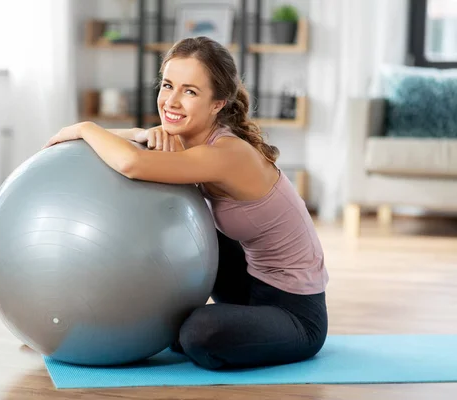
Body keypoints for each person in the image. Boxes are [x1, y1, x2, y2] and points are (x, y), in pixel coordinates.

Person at [43, 36, 329, 370]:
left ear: (217, 103)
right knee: (188, 253)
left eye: (190, 91)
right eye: (167, 85)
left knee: (198, 334)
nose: (172, 101)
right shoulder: (191, 137)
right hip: (249, 283)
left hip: (295, 312)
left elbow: (132, 165)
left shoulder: (228, 154)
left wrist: (85, 127)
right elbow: (136, 139)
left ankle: (205, 326)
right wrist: (140, 133)